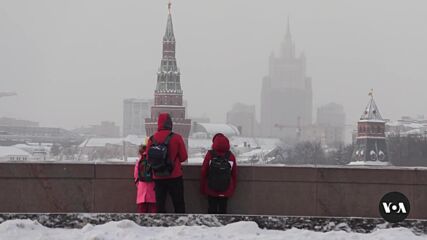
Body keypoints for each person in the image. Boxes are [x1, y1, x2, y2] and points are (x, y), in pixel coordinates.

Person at [145, 112, 188, 213]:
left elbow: (148, 157)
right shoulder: (177, 137)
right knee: (178, 203)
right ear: (170, 123)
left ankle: (161, 226)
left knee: (160, 204)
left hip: (158, 176)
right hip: (175, 176)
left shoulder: (152, 139)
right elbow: (184, 157)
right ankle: (180, 225)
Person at [200, 133, 237, 214]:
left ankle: (210, 226)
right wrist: (232, 188)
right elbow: (234, 174)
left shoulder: (210, 155)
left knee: (211, 209)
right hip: (226, 189)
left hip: (211, 189)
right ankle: (223, 226)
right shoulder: (231, 156)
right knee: (223, 210)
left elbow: (203, 171)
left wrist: (203, 188)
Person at [134, 142, 156, 213]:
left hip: (142, 190)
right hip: (153, 189)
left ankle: (140, 224)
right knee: (154, 211)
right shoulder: (154, 159)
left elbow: (136, 175)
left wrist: (139, 185)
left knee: (142, 212)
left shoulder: (139, 161)